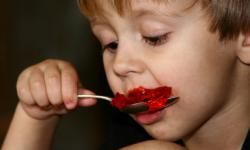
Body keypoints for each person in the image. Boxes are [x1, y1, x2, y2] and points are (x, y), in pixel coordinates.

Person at [2, 0, 250, 149]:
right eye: (111, 44)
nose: (119, 64)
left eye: (154, 37)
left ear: (245, 36)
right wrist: (36, 117)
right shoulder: (129, 135)